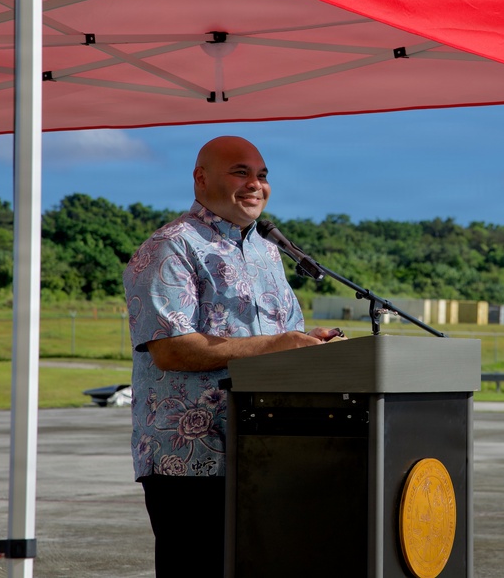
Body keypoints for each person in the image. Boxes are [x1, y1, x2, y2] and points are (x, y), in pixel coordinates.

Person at [123, 135, 344, 576]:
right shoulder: (171, 246)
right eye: (240, 172)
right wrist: (275, 345)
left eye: (262, 175)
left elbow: (284, 336)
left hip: (265, 448)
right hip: (190, 459)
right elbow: (170, 348)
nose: (255, 185)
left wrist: (309, 343)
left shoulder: (267, 250)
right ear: (200, 178)